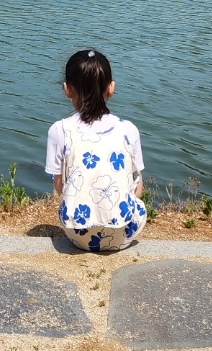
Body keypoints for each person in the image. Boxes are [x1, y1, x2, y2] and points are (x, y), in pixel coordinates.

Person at [46, 48, 146, 252]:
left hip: (77, 234)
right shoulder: (128, 129)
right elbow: (138, 188)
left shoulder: (59, 130)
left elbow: (59, 185)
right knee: (135, 177)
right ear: (111, 88)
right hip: (124, 233)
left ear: (67, 89)